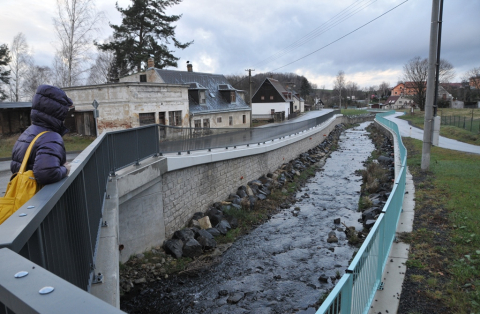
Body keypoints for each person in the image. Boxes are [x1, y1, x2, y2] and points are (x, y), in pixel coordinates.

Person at [10, 85, 72, 185]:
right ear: (59, 111)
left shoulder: (28, 132)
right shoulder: (51, 137)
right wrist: (65, 169)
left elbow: (15, 166)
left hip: (24, 197)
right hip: (42, 198)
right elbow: (47, 174)